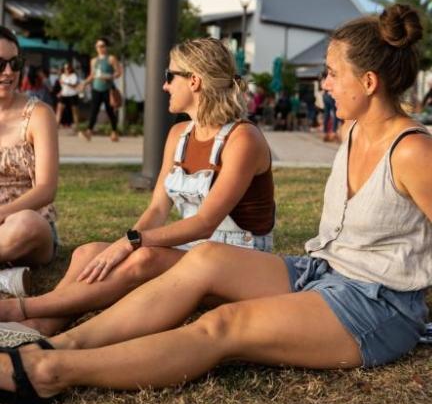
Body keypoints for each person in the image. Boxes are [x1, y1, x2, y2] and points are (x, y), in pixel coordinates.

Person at [2, 4, 430, 404]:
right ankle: (57, 343)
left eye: (333, 74)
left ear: (369, 83)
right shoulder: (353, 130)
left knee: (224, 325)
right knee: (204, 258)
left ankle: (49, 369)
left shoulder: (412, 151)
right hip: (322, 271)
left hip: (377, 304)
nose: (326, 84)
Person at [0, 37, 275, 339]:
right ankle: (41, 327)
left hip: (240, 258)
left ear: (194, 81)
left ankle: (22, 310)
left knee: (145, 257)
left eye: (169, 76)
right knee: (87, 253)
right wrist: (123, 245)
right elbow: (158, 208)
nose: (164, 86)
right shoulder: (178, 134)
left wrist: (133, 242)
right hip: (198, 250)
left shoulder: (243, 139)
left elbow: (205, 223)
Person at [0, 27, 58, 300]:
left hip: (26, 221)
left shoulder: (38, 114)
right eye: (0, 64)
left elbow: (46, 189)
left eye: (15, 63)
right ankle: (5, 279)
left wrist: (2, 213)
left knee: (26, 225)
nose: (9, 72)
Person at [80, 38, 122, 142]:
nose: (100, 48)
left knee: (110, 111)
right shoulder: (94, 61)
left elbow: (119, 72)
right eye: (98, 46)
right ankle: (89, 131)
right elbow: (92, 75)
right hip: (96, 88)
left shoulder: (111, 59)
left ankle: (114, 132)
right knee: (94, 110)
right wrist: (84, 83)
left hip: (108, 89)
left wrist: (108, 76)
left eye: (102, 45)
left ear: (106, 47)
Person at [56, 63, 80, 132]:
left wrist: (65, 83)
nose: (66, 70)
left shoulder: (73, 76)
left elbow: (74, 85)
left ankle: (77, 127)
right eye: (65, 68)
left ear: (71, 69)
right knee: (59, 110)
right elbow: (63, 87)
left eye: (68, 68)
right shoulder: (62, 76)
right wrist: (60, 92)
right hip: (64, 95)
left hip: (72, 95)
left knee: (74, 111)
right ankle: (56, 126)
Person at [320, 71, 340, 142]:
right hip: (330, 95)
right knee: (335, 113)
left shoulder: (322, 80)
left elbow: (322, 88)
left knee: (327, 114)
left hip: (324, 96)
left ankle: (325, 132)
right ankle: (334, 131)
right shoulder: (330, 79)